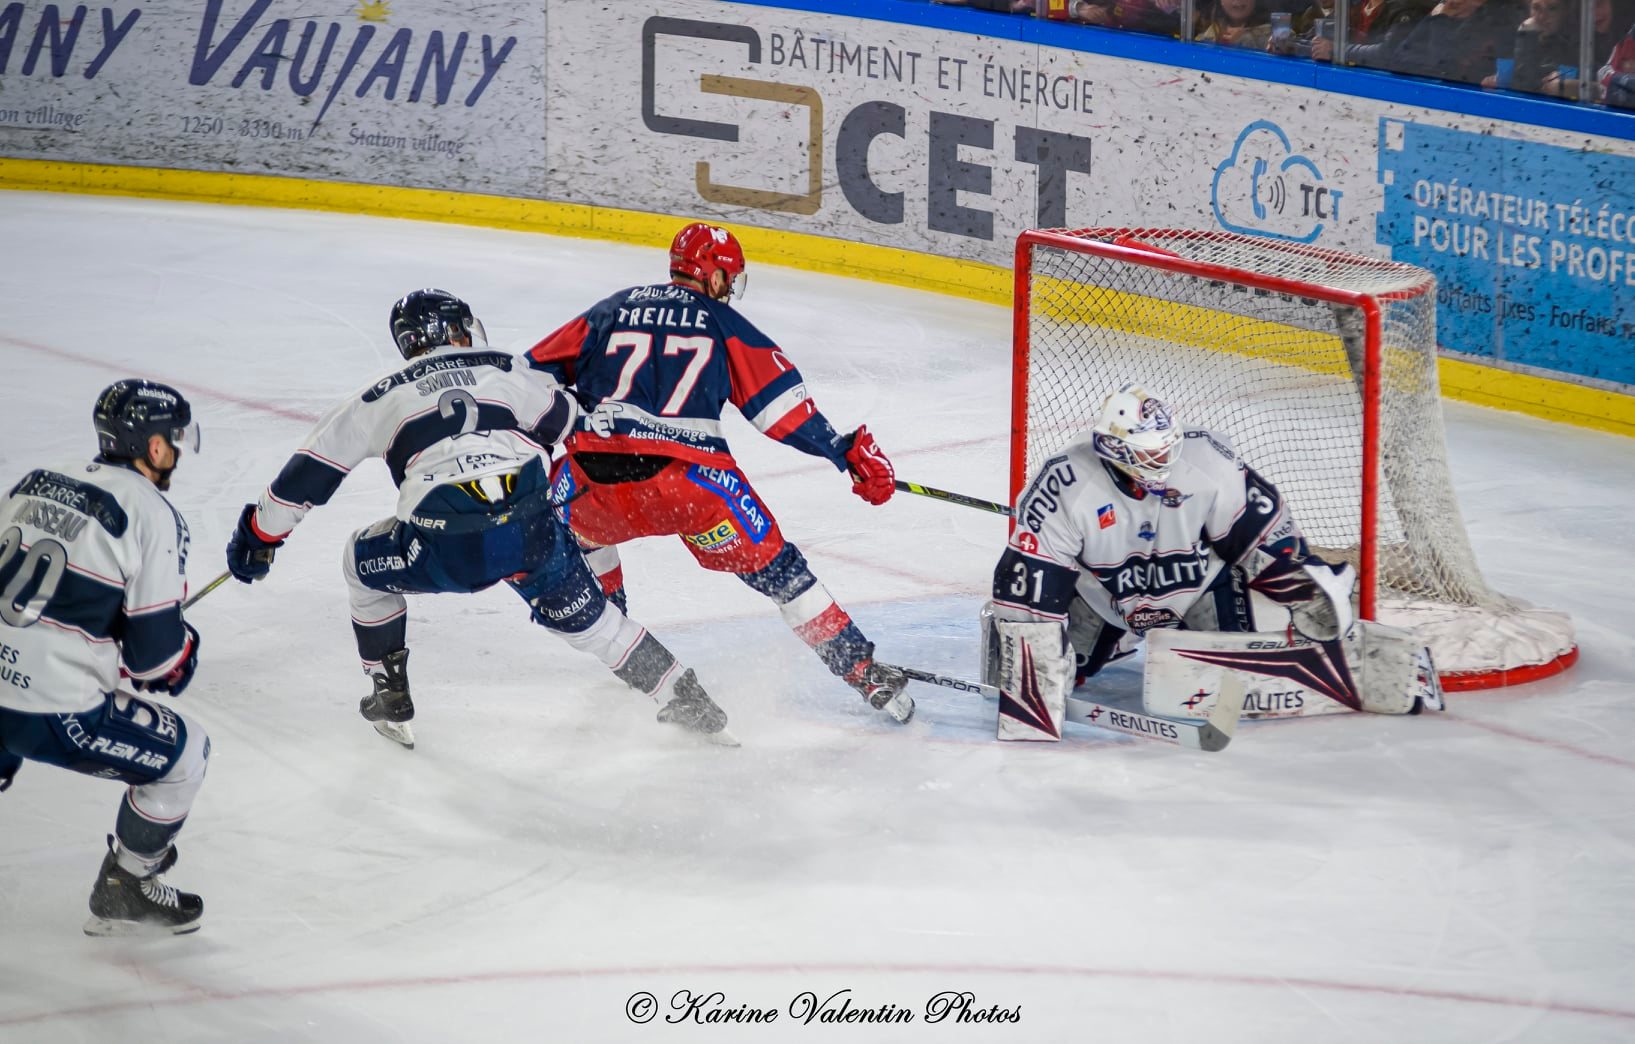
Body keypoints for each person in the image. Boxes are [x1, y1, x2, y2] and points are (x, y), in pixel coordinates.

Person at [224, 289, 731, 748]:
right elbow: (567, 423)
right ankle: (688, 697)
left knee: (361, 563)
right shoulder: (504, 367)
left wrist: (259, 536)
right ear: (456, 330)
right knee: (596, 625)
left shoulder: (376, 397)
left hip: (445, 547)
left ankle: (389, 689)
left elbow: (302, 481)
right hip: (530, 530)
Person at [524, 223, 914, 724]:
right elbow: (780, 411)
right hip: (690, 488)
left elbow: (529, 376)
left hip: (592, 485)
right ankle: (861, 670)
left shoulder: (611, 309)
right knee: (781, 572)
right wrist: (842, 452)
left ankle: (615, 627)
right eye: (727, 278)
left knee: (570, 527)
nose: (729, 288)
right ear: (712, 275)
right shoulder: (721, 323)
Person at [0, 380, 210, 935]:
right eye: (174, 437)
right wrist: (182, 652)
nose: (177, 449)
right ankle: (127, 883)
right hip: (49, 708)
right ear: (155, 446)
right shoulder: (151, 511)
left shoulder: (34, 480)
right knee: (186, 756)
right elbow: (155, 664)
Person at [985, 383, 1356, 693]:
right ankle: (1113, 642)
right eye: (1150, 452)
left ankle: (1298, 610)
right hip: (1107, 599)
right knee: (1062, 673)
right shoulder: (1066, 482)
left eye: (1166, 447)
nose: (1162, 459)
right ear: (1115, 449)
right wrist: (1035, 656)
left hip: (1196, 587)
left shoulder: (1208, 460)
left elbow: (1262, 530)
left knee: (1227, 683)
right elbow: (1031, 574)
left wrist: (1302, 581)